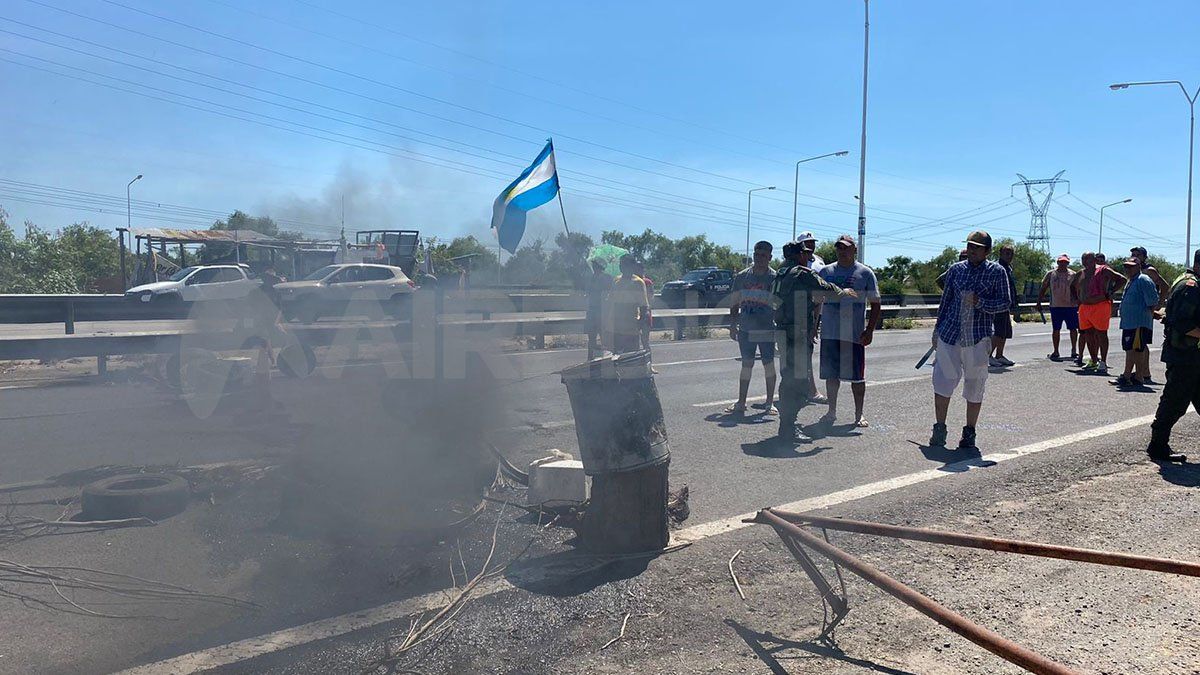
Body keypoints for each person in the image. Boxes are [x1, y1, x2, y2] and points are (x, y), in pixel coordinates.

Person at [928, 230, 1012, 450]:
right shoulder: (956, 270)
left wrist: (980, 302)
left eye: (977, 247)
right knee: (942, 382)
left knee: (974, 385)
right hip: (950, 334)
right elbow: (945, 301)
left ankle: (969, 432)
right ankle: (939, 428)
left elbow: (1005, 302)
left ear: (987, 251)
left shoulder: (997, 271)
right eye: (970, 245)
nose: (972, 250)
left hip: (977, 337)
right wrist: (937, 331)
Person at [773, 244, 856, 442]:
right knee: (800, 384)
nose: (809, 256)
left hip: (783, 331)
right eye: (807, 253)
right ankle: (788, 427)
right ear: (799, 255)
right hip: (797, 334)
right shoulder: (801, 273)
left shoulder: (781, 273)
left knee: (788, 378)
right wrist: (844, 292)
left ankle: (785, 425)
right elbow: (825, 287)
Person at [816, 235, 882, 428]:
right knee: (831, 375)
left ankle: (858, 414)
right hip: (829, 332)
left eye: (846, 248)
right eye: (839, 248)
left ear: (854, 250)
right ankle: (831, 411)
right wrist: (813, 326)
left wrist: (869, 330)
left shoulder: (865, 273)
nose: (842, 251)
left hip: (853, 335)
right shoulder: (826, 272)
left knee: (857, 378)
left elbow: (876, 304)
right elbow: (817, 300)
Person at [1145, 249, 1200, 463]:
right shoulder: (1190, 287)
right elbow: (1183, 322)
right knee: (1175, 401)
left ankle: (1158, 444)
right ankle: (1157, 445)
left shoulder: (1191, 282)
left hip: (1192, 354)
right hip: (1185, 355)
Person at [726, 241, 778, 415]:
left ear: (770, 257)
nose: (759, 258)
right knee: (746, 365)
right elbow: (734, 301)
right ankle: (741, 402)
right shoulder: (742, 277)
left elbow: (779, 303)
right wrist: (733, 325)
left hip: (766, 328)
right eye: (757, 255)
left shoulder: (774, 278)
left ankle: (769, 403)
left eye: (763, 255)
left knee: (768, 364)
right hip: (746, 328)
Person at [1073, 251, 1127, 374]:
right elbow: (1072, 286)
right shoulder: (1080, 273)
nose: (1086, 261)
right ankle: (1093, 360)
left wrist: (1110, 292)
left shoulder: (1103, 270)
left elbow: (1122, 279)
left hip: (1100, 305)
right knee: (1088, 334)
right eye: (1083, 259)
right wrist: (1077, 299)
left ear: (1094, 260)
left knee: (1101, 334)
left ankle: (1103, 362)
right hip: (1084, 307)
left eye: (1088, 259)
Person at [1113, 258, 1160, 388]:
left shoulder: (1143, 280)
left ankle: (1134, 376)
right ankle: (1130, 376)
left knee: (1136, 350)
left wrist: (1148, 316)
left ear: (1138, 266)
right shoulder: (1131, 281)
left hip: (1138, 323)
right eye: (1126, 267)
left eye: (1131, 266)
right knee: (1131, 349)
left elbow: (1152, 301)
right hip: (1129, 323)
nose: (1128, 269)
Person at [794, 231, 827, 403]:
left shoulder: (819, 261)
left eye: (812, 242)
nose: (811, 245)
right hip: (801, 311)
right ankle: (810, 390)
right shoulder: (795, 263)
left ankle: (806, 389)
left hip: (817, 310)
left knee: (807, 352)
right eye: (807, 243)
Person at [1037, 254, 1079, 361]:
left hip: (1071, 306)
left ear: (1068, 263)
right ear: (1057, 262)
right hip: (1056, 306)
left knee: (1073, 329)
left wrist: (1079, 302)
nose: (1063, 264)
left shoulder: (1073, 274)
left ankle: (1074, 350)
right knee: (1056, 329)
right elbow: (1043, 288)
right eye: (1061, 262)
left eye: (1065, 262)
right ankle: (1056, 351)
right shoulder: (1051, 274)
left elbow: (1077, 289)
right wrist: (1039, 302)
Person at [606, 255, 650, 355]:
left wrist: (640, 324)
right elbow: (610, 303)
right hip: (616, 325)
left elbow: (644, 306)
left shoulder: (638, 282)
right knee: (615, 356)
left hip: (631, 325)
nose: (621, 267)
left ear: (632, 266)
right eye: (620, 264)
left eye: (624, 264)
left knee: (631, 356)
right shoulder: (616, 280)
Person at [988, 244, 1019, 367]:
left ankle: (999, 355)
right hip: (998, 305)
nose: (1009, 256)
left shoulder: (1008, 268)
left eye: (1011, 253)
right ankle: (987, 356)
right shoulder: (996, 267)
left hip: (1006, 305)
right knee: (999, 332)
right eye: (1006, 253)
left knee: (1005, 331)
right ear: (1000, 254)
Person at [633, 259, 658, 373]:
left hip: (645, 312)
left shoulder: (647, 282)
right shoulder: (632, 282)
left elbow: (651, 297)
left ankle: (649, 365)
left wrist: (645, 304)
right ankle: (636, 366)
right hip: (634, 313)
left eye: (639, 268)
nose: (637, 270)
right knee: (634, 341)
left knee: (645, 341)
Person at [585, 259, 613, 359]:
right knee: (591, 337)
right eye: (593, 265)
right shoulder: (591, 278)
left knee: (604, 337)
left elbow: (609, 293)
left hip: (602, 311)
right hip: (592, 310)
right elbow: (588, 292)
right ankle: (590, 359)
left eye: (595, 265)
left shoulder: (607, 278)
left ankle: (607, 358)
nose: (594, 267)